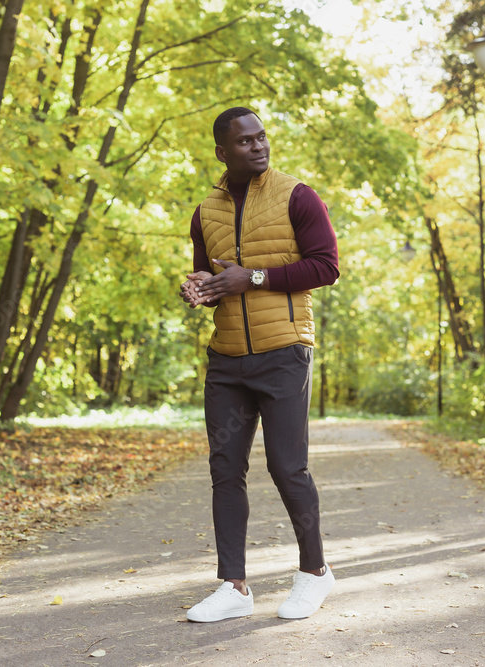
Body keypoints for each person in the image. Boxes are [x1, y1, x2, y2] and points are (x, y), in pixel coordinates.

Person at [179, 107, 339, 622]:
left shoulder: (297, 196)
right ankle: (233, 586)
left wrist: (253, 279)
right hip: (226, 357)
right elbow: (210, 273)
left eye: (262, 137)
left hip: (285, 350)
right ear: (222, 152)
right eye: (245, 141)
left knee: (287, 467)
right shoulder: (205, 211)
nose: (258, 146)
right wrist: (198, 286)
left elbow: (326, 266)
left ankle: (314, 574)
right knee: (225, 469)